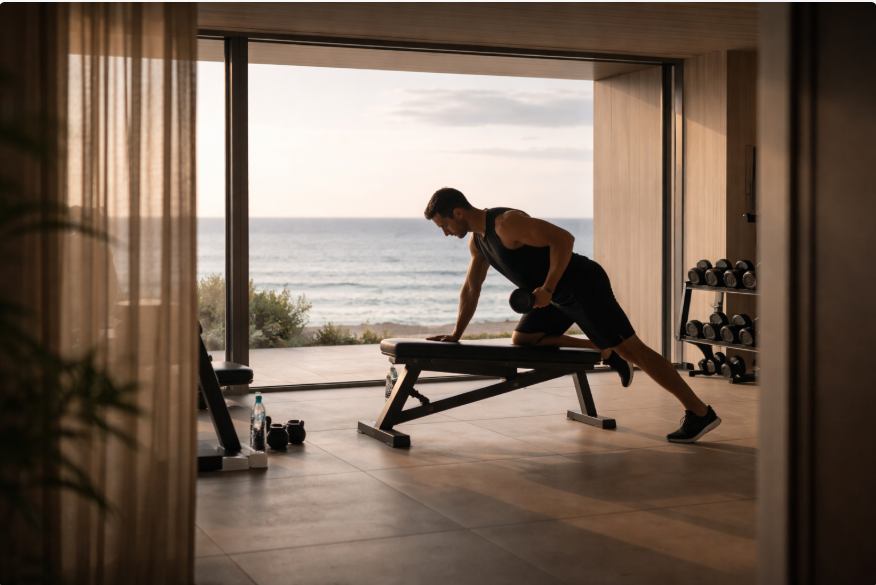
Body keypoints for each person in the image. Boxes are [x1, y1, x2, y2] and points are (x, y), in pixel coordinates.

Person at [423, 187, 721, 443]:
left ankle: (700, 412)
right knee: (524, 338)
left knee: (634, 350)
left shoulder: (505, 223)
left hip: (581, 285)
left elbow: (563, 239)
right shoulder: (479, 242)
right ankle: (605, 351)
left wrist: (548, 288)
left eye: (444, 225)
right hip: (554, 296)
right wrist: (456, 334)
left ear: (458, 212)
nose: (445, 232)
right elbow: (472, 288)